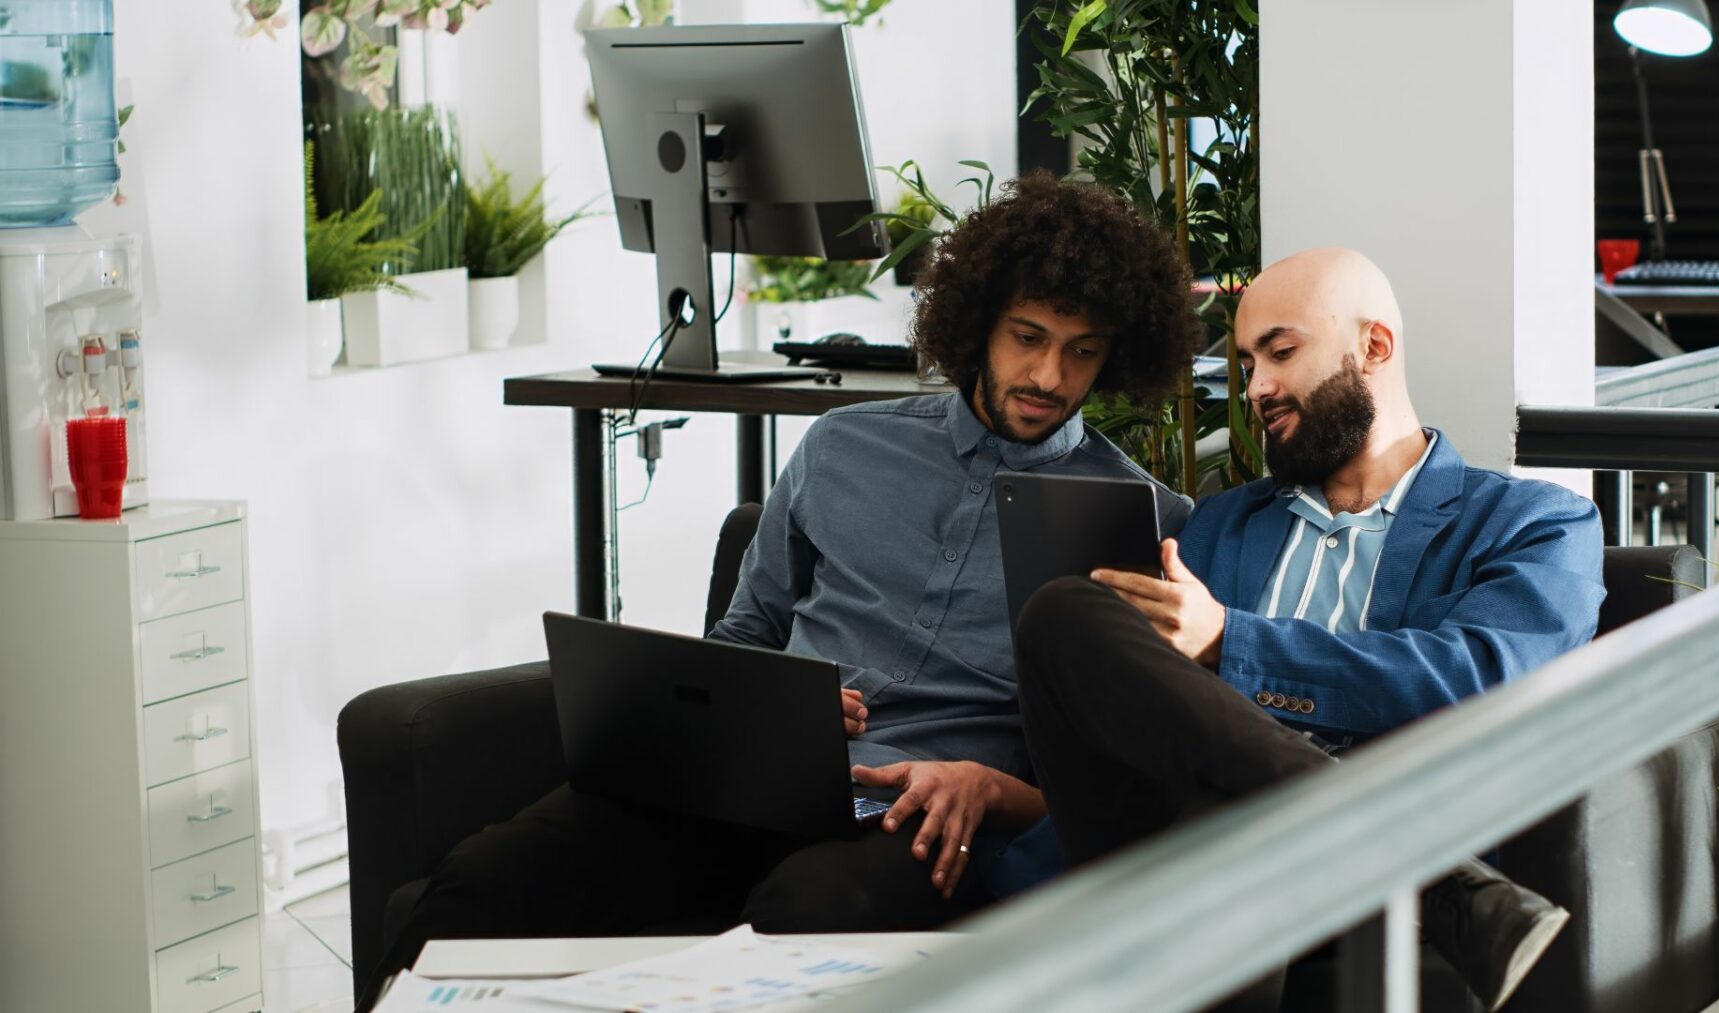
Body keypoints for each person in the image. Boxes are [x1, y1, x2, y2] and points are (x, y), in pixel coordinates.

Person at [357, 172, 1196, 1009]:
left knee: (806, 917)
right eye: (1028, 336)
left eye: (1082, 350)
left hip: (924, 822)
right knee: (485, 881)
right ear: (980, 320)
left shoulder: (1140, 520)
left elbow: (1119, 768)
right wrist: (761, 707)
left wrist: (994, 788)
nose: (1049, 374)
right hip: (749, 783)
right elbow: (747, 631)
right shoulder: (842, 447)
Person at [1012, 247, 1607, 1011]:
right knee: (1062, 613)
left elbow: (1479, 676)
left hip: (1320, 881)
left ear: (1374, 346)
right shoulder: (1221, 524)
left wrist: (1233, 640)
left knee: (1230, 835)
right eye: (1248, 360)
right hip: (1181, 837)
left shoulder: (1534, 523)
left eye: (1281, 352)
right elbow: (1158, 717)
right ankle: (1435, 878)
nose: (1257, 387)